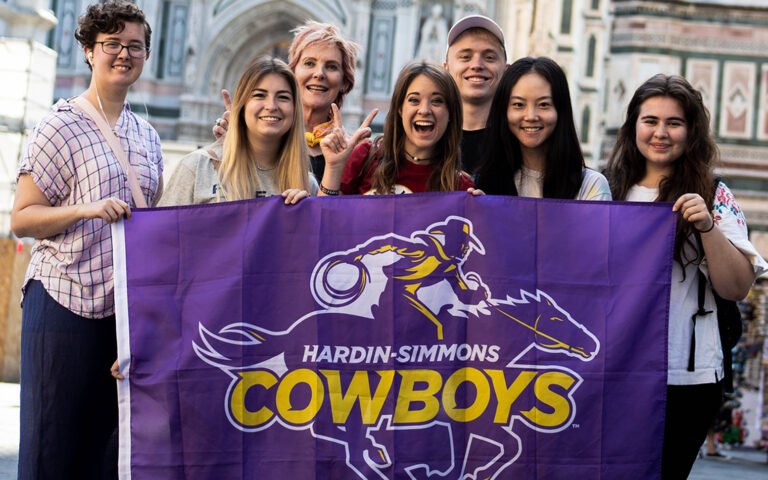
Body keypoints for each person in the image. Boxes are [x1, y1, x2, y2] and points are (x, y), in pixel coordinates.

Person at [10, 2, 163, 478]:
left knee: (108, 447)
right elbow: (22, 218)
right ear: (88, 51)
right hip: (63, 300)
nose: (124, 54)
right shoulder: (60, 123)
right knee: (52, 440)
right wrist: (87, 210)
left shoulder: (148, 135)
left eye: (134, 46)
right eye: (112, 44)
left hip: (122, 312)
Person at [605, 73, 767, 479]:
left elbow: (737, 286)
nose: (661, 133)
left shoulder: (714, 194)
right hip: (612, 366)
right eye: (650, 121)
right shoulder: (604, 189)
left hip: (686, 375)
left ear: (691, 132)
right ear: (633, 126)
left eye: (674, 123)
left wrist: (707, 228)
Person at [213, 21, 362, 183]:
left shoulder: (354, 152)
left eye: (332, 67)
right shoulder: (262, 135)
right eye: (309, 63)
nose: (319, 74)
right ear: (292, 73)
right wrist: (237, 141)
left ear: (345, 81)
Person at [160, 58, 316, 206]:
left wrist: (304, 215)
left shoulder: (306, 184)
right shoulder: (198, 167)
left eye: (283, 97)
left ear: (295, 109)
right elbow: (161, 231)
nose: (271, 106)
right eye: (259, 95)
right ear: (242, 106)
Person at [475, 56, 610, 200]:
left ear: (560, 110)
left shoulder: (590, 185)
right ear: (503, 111)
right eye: (519, 105)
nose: (531, 116)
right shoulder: (485, 183)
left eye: (544, 104)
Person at [338, 62, 476, 195]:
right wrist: (334, 167)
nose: (424, 110)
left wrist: (483, 212)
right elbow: (327, 214)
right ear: (400, 108)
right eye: (414, 100)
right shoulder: (364, 157)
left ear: (451, 112)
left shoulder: (461, 188)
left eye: (437, 101)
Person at [443, 15, 506, 173]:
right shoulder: (426, 138)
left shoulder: (519, 143)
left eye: (489, 57)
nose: (477, 65)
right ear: (446, 68)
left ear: (506, 70)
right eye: (465, 57)